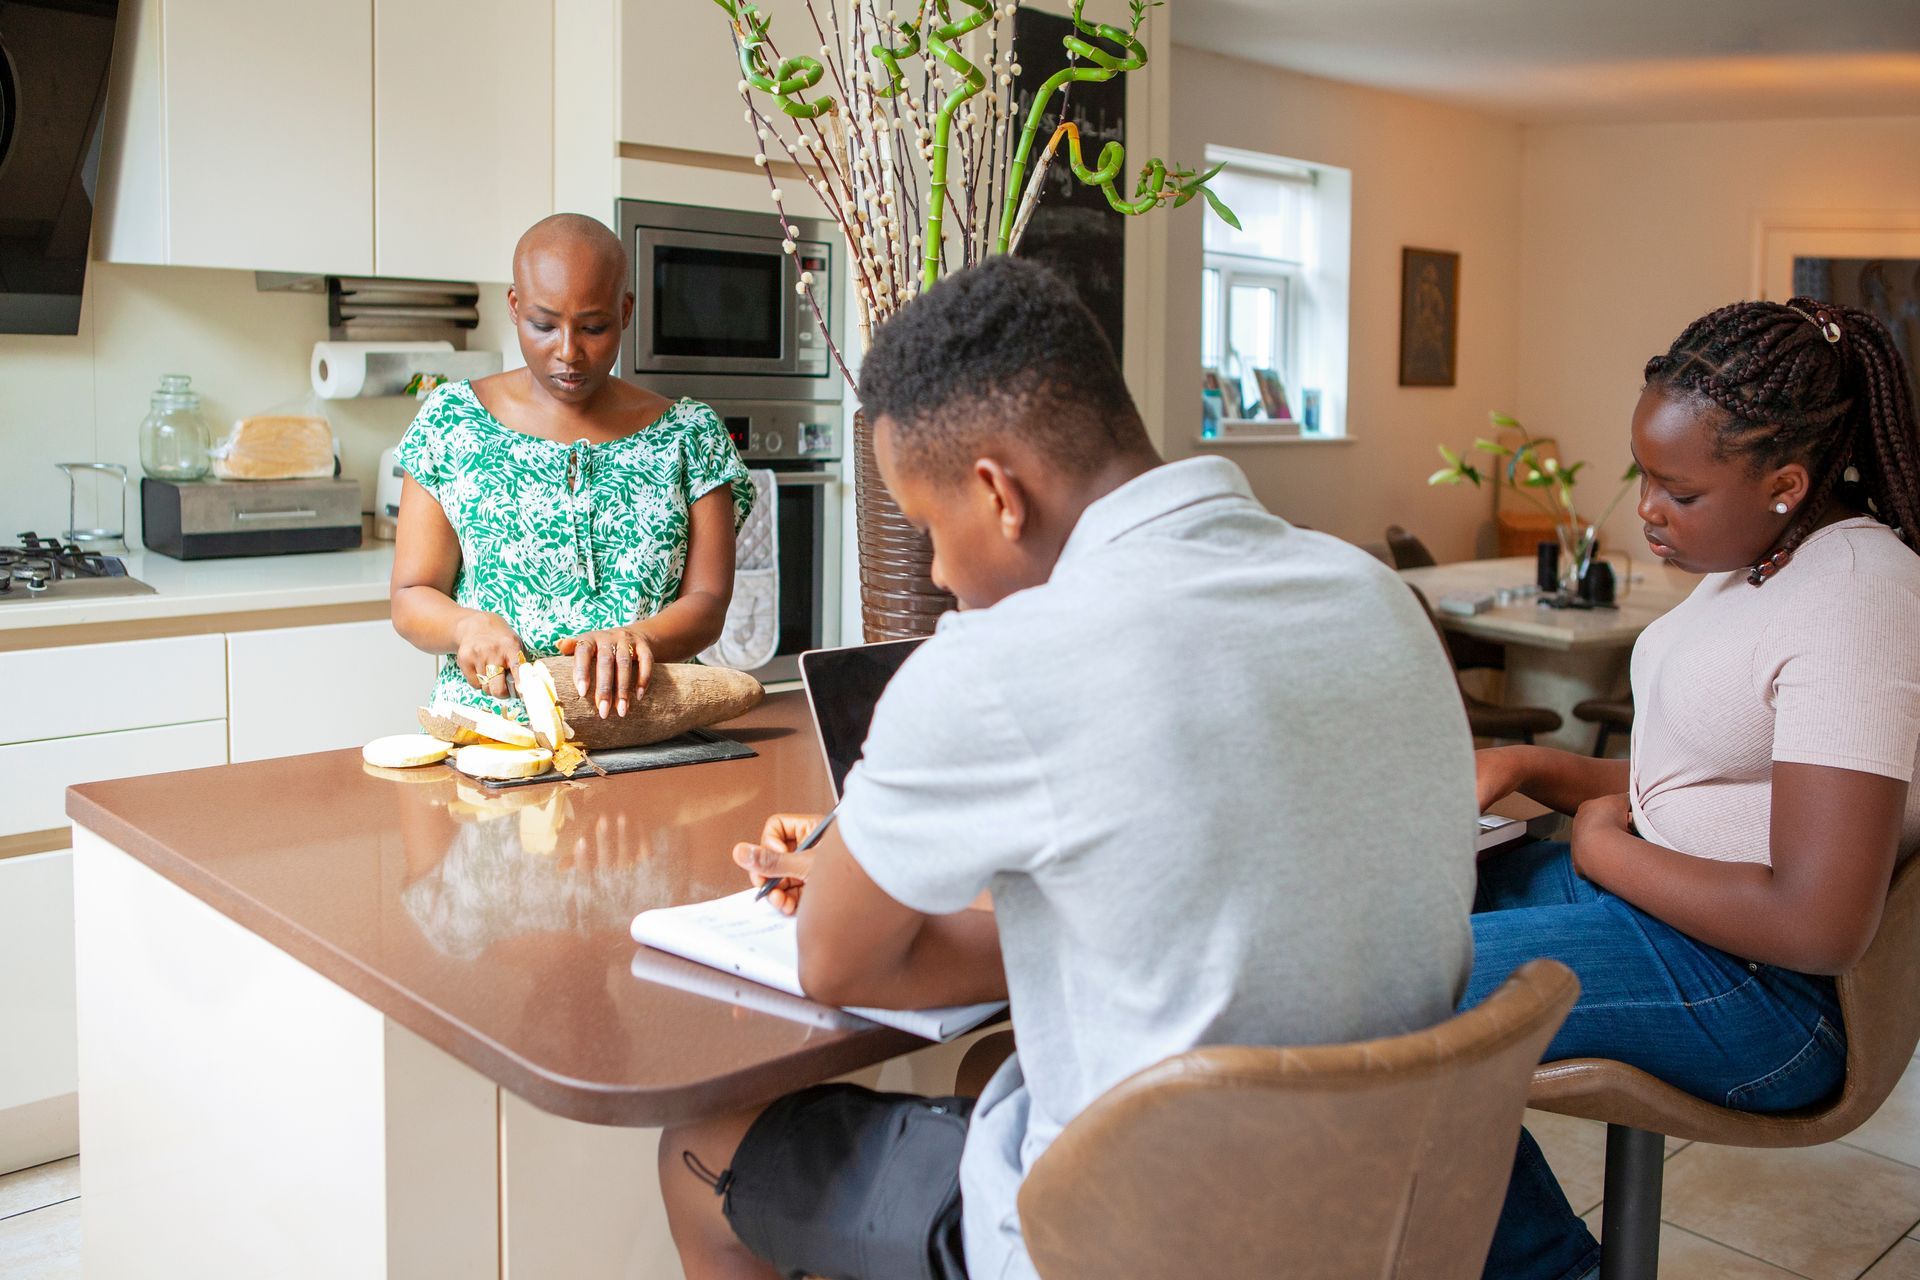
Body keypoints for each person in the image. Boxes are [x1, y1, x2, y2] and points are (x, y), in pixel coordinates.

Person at [656, 256, 1480, 1280]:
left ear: (999, 493)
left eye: (927, 529)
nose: (941, 573)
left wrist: (852, 886)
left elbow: (839, 962)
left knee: (700, 1152)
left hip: (1136, 1241)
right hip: (1379, 1213)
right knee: (993, 1065)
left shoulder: (997, 662)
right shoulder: (1377, 596)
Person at [1471, 298, 1920, 1280]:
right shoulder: (1762, 558)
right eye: (1645, 477)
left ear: (1785, 481)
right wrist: (1534, 768)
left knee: (1386, 984)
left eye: (1677, 488)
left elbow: (1820, 919)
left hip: (1771, 990)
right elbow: (1709, 783)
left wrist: (1601, 848)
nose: (1647, 508)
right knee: (1368, 918)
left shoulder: (1856, 592)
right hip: (1672, 913)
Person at [390, 213, 752, 722]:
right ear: (515, 307)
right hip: (492, 736)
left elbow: (709, 601)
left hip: (650, 733)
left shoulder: (690, 435)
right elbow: (411, 595)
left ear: (625, 312)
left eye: (594, 327)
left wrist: (638, 637)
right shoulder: (452, 423)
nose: (568, 352)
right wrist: (466, 627)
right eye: (543, 324)